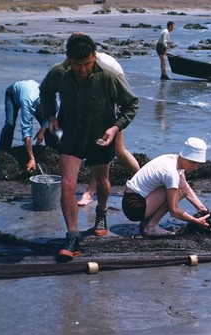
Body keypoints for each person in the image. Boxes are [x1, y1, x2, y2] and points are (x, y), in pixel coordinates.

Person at [39, 33, 139, 259]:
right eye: (77, 64)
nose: (82, 69)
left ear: (94, 55)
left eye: (87, 63)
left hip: (100, 136)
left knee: (102, 180)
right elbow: (45, 92)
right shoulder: (59, 73)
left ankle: (101, 212)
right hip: (72, 134)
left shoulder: (109, 77)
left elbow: (132, 103)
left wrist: (115, 128)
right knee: (67, 184)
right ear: (69, 60)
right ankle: (73, 236)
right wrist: (50, 115)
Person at [76, 52, 140, 206]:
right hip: (102, 104)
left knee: (105, 150)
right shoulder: (87, 63)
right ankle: (145, 182)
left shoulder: (104, 66)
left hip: (114, 106)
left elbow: (124, 98)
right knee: (119, 151)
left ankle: (90, 192)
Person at [122, 137, 211, 237]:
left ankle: (146, 223)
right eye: (193, 162)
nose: (195, 167)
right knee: (177, 188)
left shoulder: (174, 159)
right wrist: (196, 221)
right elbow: (174, 211)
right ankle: (151, 226)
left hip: (137, 200)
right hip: (134, 207)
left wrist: (202, 209)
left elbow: (186, 188)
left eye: (198, 164)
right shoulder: (171, 173)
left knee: (181, 185)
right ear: (184, 157)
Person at [0, 79, 57, 172]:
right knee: (10, 124)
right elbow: (26, 134)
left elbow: (50, 118)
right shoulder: (27, 104)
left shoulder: (55, 103)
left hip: (32, 94)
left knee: (49, 128)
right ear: (40, 106)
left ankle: (54, 152)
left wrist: (42, 131)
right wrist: (31, 158)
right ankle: (2, 151)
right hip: (13, 94)